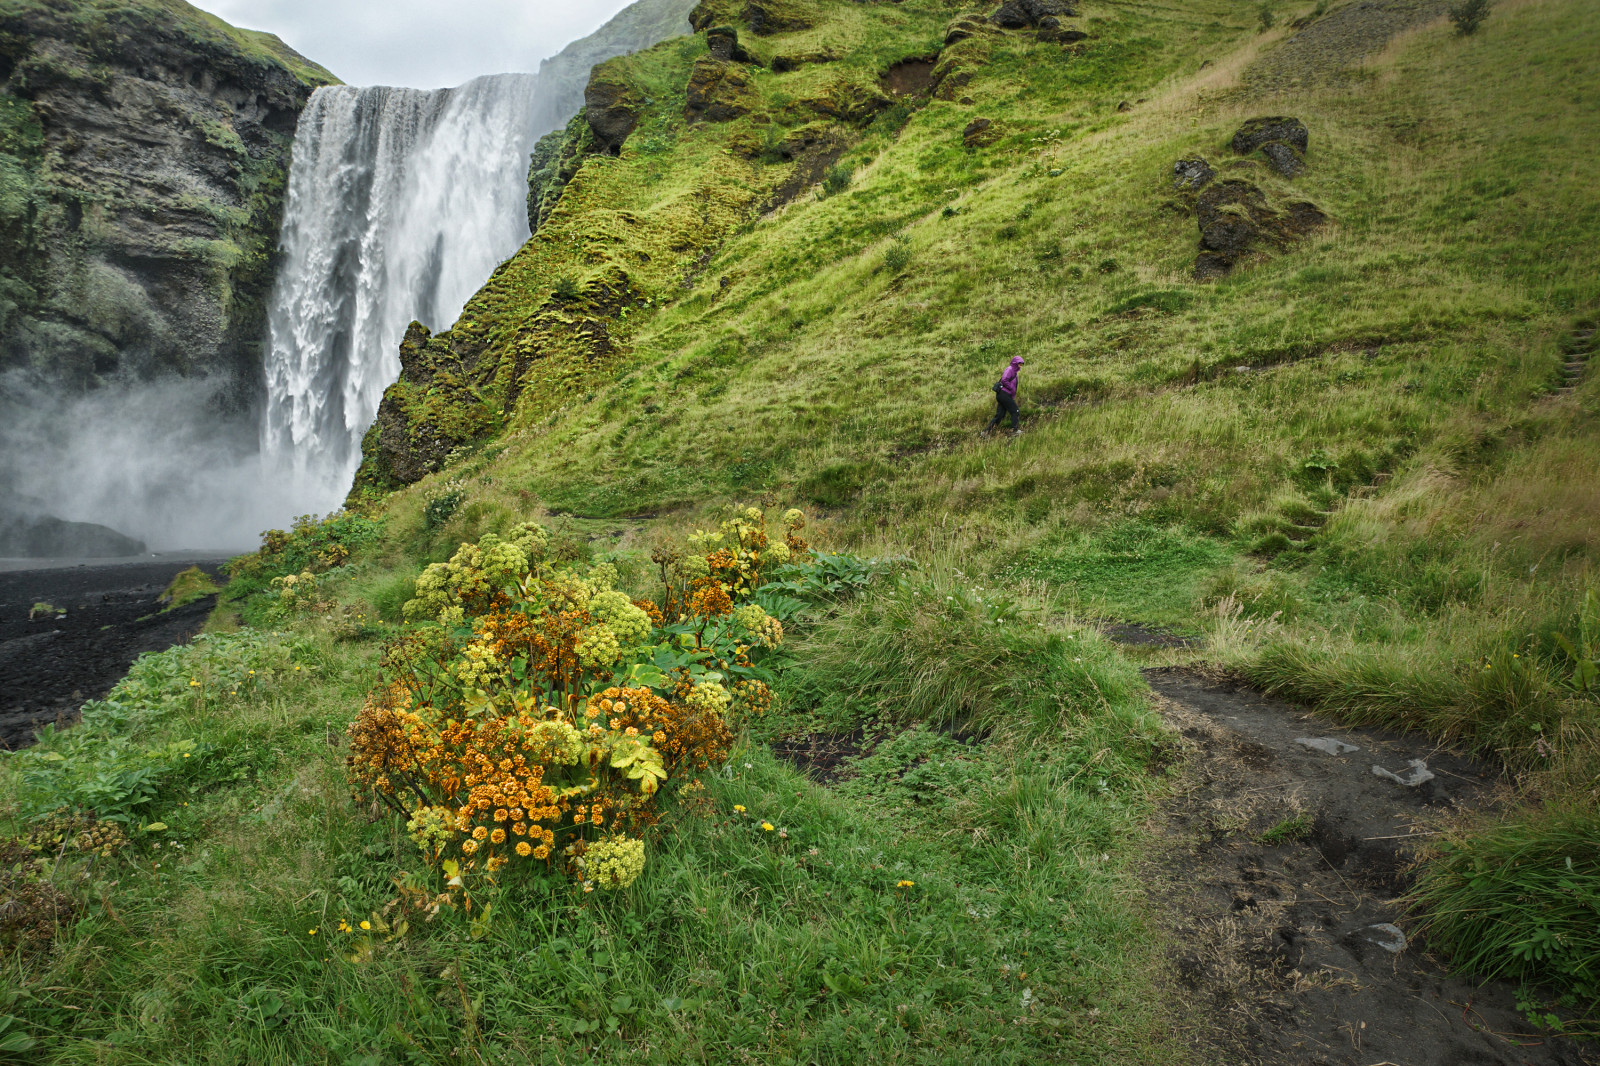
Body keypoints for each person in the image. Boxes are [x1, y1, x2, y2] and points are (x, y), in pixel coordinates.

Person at [985, 355, 1024, 434]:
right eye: (1019, 364)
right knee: (1015, 411)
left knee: (1000, 415)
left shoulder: (1014, 372)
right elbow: (1004, 380)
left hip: (1003, 395)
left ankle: (986, 432)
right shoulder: (1010, 369)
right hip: (1004, 394)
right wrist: (1011, 388)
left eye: (1021, 364)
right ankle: (1014, 430)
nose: (1020, 366)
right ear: (1015, 363)